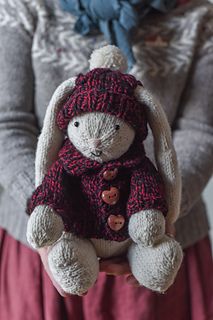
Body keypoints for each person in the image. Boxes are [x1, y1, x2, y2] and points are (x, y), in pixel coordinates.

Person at [0, 0, 212, 319]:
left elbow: (201, 131)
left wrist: (160, 209)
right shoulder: (25, 7)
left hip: (162, 240)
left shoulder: (199, 17)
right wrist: (46, 215)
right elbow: (8, 123)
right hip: (48, 250)